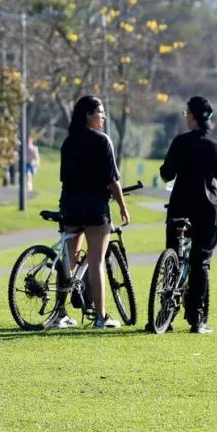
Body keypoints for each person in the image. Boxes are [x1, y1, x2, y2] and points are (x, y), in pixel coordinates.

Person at [51, 95, 131, 329]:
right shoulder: (101, 141)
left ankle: (60, 312)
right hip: (95, 208)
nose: (104, 116)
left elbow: (65, 178)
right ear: (88, 114)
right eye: (100, 112)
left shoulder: (68, 142)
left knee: (69, 261)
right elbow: (112, 181)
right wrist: (123, 206)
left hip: (70, 205)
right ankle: (100, 316)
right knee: (96, 262)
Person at [157, 96, 217, 334]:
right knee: (200, 262)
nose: (185, 117)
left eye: (186, 113)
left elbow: (167, 174)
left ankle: (164, 315)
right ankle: (197, 319)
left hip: (180, 207)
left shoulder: (180, 142)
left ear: (193, 117)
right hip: (208, 209)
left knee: (173, 257)